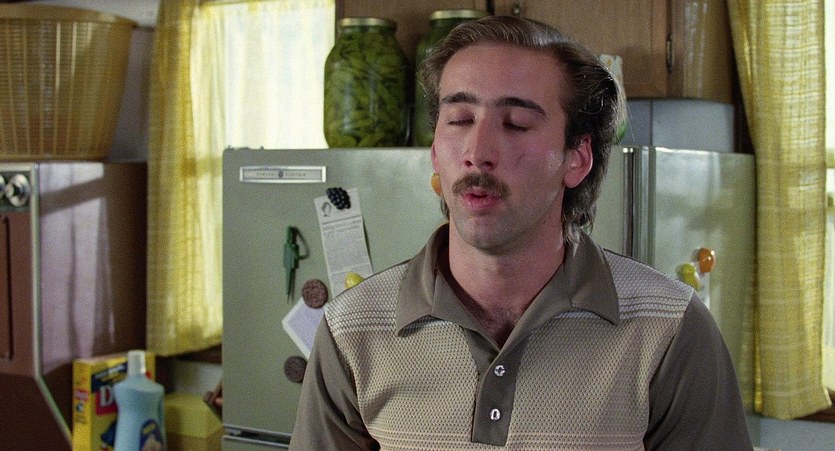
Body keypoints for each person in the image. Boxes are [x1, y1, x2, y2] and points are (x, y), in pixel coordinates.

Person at [291, 15, 752, 450]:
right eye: (459, 120)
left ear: (577, 158)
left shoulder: (670, 329)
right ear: (434, 151)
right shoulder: (352, 329)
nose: (477, 152)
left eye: (516, 124)